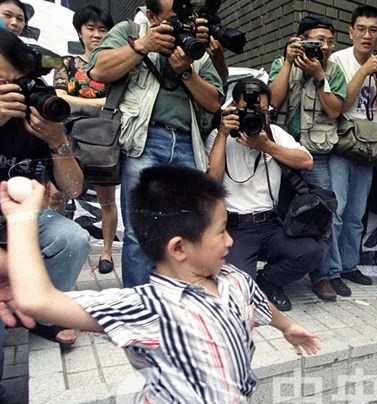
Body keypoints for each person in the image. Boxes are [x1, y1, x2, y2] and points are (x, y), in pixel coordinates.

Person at [1, 165, 320, 404]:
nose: (230, 241)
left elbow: (258, 303)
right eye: (221, 231)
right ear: (179, 247)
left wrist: (287, 326)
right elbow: (36, 299)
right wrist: (23, 217)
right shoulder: (148, 308)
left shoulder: (233, 279)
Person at [0, 27, 90, 404]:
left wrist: (58, 140)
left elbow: (73, 188)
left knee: (72, 237)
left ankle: (40, 308)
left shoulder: (36, 116)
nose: (9, 93)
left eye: (18, 81)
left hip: (25, 216)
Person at [87, 1, 223, 288]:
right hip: (144, 140)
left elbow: (213, 102)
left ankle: (179, 300)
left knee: (187, 228)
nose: (181, 23)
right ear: (152, 16)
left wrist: (187, 71)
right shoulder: (130, 30)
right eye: (173, 18)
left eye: (186, 16)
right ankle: (140, 307)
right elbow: (98, 71)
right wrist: (142, 45)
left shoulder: (193, 44)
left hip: (187, 141)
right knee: (141, 230)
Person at [206, 79, 321, 312]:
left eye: (261, 111)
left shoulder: (274, 133)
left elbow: (307, 162)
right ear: (233, 107)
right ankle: (249, 281)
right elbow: (212, 182)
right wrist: (222, 133)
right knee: (238, 290)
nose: (255, 116)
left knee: (312, 253)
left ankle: (268, 281)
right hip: (235, 228)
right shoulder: (221, 135)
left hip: (270, 225)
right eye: (246, 110)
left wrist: (267, 146)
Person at [269, 15, 348, 302]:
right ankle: (278, 271)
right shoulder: (282, 64)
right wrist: (288, 62)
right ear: (300, 40)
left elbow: (335, 110)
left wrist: (319, 77)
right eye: (317, 41)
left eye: (329, 41)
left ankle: (322, 276)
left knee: (323, 214)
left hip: (316, 154)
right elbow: (273, 101)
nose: (324, 47)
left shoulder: (334, 71)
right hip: (281, 153)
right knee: (277, 210)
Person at [328, 5, 377, 288]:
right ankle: (330, 272)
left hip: (368, 146)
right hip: (342, 143)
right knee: (338, 208)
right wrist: (364, 70)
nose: (366, 35)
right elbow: (339, 105)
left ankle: (348, 265)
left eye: (373, 30)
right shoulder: (337, 60)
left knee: (357, 213)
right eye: (361, 29)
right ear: (351, 31)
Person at [54, 5, 117, 274]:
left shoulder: (115, 67)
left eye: (102, 29)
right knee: (56, 194)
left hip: (104, 140)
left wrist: (79, 104)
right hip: (69, 137)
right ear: (80, 32)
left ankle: (106, 252)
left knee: (107, 199)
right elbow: (59, 98)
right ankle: (54, 247)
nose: (97, 34)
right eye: (90, 28)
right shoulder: (67, 63)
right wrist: (100, 102)